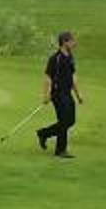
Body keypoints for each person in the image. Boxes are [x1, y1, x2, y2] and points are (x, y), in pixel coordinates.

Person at [36, 30, 81, 158]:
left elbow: (73, 76)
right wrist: (46, 95)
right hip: (57, 94)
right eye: (72, 41)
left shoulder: (70, 57)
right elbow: (47, 77)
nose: (74, 43)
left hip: (67, 93)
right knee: (64, 120)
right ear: (64, 42)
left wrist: (78, 94)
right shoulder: (55, 58)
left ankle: (44, 133)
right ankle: (61, 150)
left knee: (70, 121)